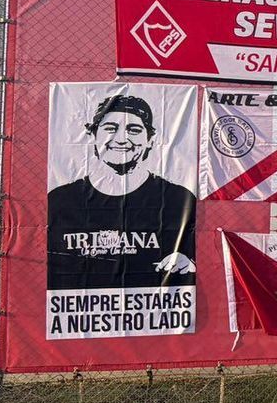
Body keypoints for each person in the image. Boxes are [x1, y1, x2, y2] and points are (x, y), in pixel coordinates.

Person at [47, 93, 196, 290]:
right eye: (110, 128)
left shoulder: (178, 199)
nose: (121, 139)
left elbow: (194, 256)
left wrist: (188, 264)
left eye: (134, 130)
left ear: (150, 140)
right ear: (92, 136)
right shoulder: (60, 200)